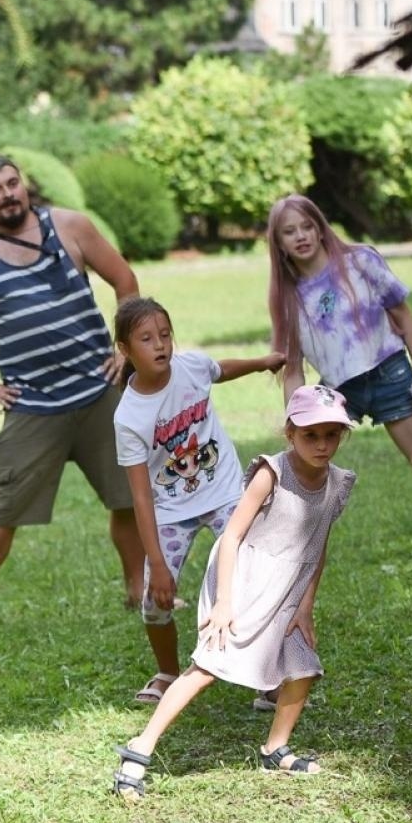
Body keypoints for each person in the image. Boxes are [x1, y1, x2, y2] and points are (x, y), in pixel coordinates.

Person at [110, 384, 356, 798]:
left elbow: (318, 545)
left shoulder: (337, 483)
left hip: (287, 590)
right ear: (290, 433)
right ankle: (140, 747)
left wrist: (306, 605)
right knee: (208, 667)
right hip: (242, 579)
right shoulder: (271, 474)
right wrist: (224, 603)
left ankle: (276, 749)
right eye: (310, 434)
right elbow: (231, 537)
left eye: (331, 435)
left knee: (303, 668)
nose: (322, 444)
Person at [0, 154, 144, 634]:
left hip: (99, 391)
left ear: (25, 185)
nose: (7, 194)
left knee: (128, 498)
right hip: (32, 405)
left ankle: (138, 588)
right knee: (4, 509)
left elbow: (124, 280)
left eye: (12, 183)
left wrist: (125, 347)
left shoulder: (72, 227)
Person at [110, 297, 284, 706]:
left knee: (254, 579)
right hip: (171, 512)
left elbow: (221, 369)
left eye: (165, 335)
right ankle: (167, 673)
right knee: (154, 604)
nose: (160, 345)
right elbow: (141, 496)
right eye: (147, 339)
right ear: (125, 349)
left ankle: (266, 677)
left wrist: (264, 362)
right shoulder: (129, 417)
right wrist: (156, 564)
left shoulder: (191, 368)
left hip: (224, 493)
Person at [266, 195, 412, 469]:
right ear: (278, 243)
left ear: (320, 229)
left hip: (390, 375)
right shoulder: (286, 297)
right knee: (304, 471)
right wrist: (296, 421)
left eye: (307, 226)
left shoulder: (361, 262)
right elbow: (293, 371)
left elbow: (405, 319)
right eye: (289, 231)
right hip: (338, 391)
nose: (301, 236)